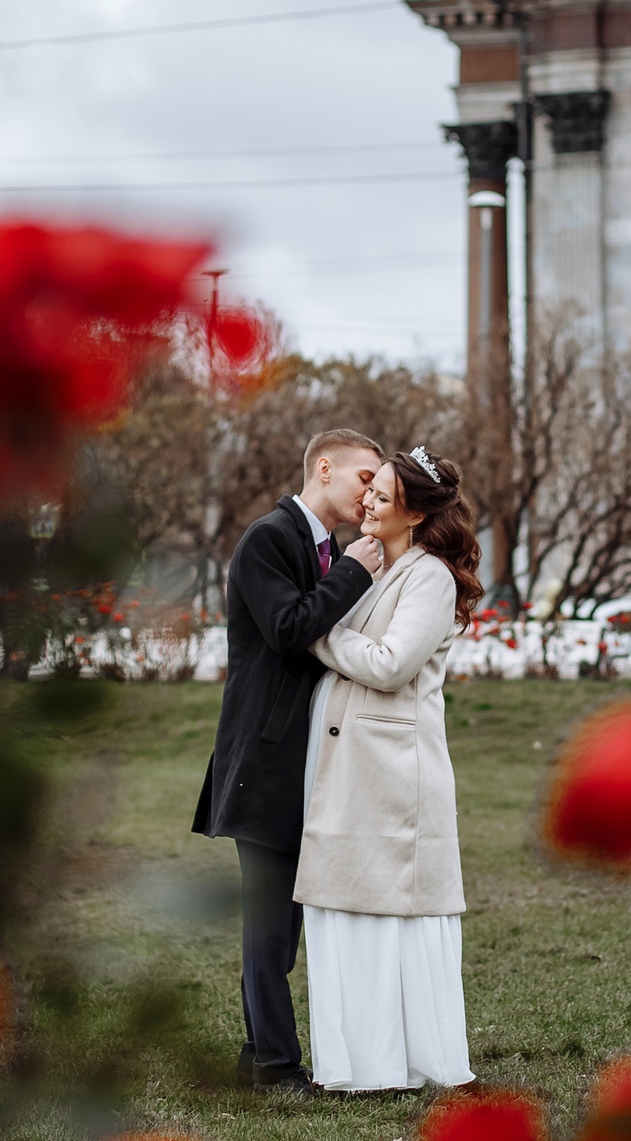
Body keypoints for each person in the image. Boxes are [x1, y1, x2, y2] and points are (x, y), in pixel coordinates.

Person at [191, 429, 387, 1092]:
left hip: (308, 765)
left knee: (283, 929)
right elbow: (289, 629)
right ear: (322, 468)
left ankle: (257, 1058)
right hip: (264, 762)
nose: (370, 493)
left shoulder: (325, 547)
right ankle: (276, 1067)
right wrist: (356, 573)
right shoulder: (267, 539)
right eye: (365, 477)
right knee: (271, 931)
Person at [297, 446, 484, 1093]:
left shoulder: (429, 577)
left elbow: (389, 663)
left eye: (384, 495)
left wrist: (317, 631)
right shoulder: (382, 567)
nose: (369, 501)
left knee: (388, 908)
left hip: (393, 774)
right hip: (357, 770)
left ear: (414, 511)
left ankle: (396, 1060)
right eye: (370, 491)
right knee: (348, 905)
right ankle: (357, 1061)